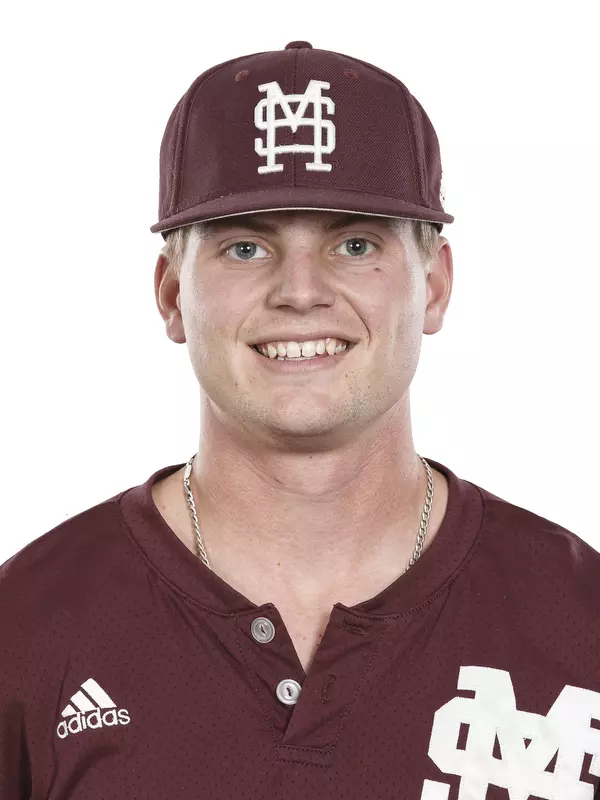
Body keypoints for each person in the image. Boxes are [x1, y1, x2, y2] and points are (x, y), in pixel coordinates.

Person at [1, 41, 599, 800]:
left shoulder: (579, 620)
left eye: (356, 244)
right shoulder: (25, 630)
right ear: (171, 294)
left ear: (437, 286)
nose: (301, 291)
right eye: (246, 247)